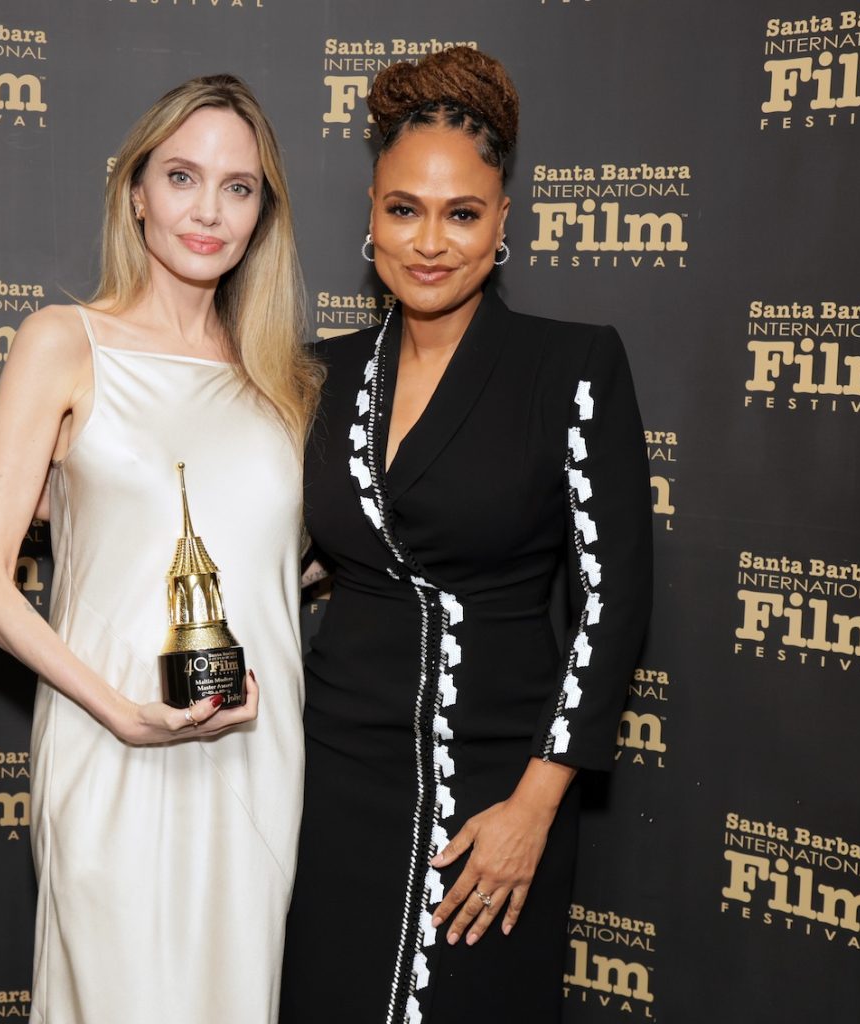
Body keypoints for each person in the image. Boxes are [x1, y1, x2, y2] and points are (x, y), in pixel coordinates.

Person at [279, 47, 653, 1023]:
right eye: (405, 209)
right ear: (369, 213)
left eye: (463, 212)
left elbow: (613, 605)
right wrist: (68, 493)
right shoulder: (317, 376)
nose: (430, 242)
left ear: (503, 221)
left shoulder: (570, 368)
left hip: (497, 791)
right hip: (331, 781)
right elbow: (243, 529)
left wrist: (536, 805)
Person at [0, 75, 321, 1024]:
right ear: (136, 192)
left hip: (255, 758)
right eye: (183, 177)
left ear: (263, 212)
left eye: (238, 187)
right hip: (110, 741)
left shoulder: (288, 383)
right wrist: (122, 712)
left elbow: (291, 566)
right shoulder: (64, 342)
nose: (208, 210)